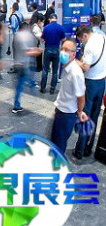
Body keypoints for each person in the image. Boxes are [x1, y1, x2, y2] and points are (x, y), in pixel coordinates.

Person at [49, 38, 88, 154]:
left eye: (66, 50)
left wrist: (80, 112)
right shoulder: (67, 66)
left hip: (66, 115)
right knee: (55, 142)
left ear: (74, 54)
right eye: (62, 49)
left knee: (59, 146)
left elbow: (81, 97)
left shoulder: (75, 73)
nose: (63, 52)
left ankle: (59, 164)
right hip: (61, 110)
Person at [73, 25, 106, 159]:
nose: (82, 42)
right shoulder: (102, 38)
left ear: (85, 35)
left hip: (90, 83)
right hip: (102, 82)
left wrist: (75, 61)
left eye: (81, 39)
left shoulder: (89, 46)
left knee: (84, 116)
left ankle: (79, 150)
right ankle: (88, 148)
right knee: (94, 116)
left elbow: (85, 67)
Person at [12, 22, 42, 114]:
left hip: (18, 63)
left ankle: (17, 105)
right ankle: (35, 100)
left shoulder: (16, 35)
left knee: (19, 85)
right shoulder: (24, 36)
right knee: (27, 83)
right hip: (25, 64)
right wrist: (37, 51)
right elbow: (26, 51)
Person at [40, 14, 66, 94]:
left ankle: (43, 88)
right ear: (56, 19)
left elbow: (42, 39)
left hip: (48, 49)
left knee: (45, 70)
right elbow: (64, 39)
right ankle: (52, 89)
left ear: (49, 19)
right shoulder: (61, 27)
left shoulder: (46, 28)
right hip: (56, 50)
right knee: (55, 71)